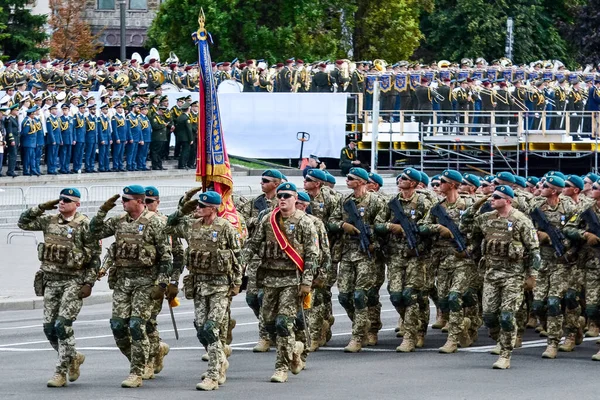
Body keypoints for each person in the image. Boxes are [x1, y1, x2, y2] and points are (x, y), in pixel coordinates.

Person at [89, 185, 173, 388]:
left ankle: (136, 372)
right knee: (118, 326)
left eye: (127, 199)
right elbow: (93, 231)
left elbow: (166, 256)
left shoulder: (156, 223)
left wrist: (162, 284)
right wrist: (102, 210)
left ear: (139, 201)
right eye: (122, 199)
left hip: (145, 282)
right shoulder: (119, 221)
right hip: (123, 282)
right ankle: (142, 359)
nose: (123, 202)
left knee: (137, 325)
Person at [17, 188, 101, 386]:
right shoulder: (49, 221)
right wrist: (40, 207)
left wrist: (89, 283)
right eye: (60, 199)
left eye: (67, 200)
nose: (62, 203)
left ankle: (60, 372)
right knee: (48, 328)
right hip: (51, 281)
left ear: (77, 204)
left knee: (62, 325)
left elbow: (95, 257)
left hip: (73, 280)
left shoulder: (85, 225)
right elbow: (23, 223)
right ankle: (73, 356)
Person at [166, 190, 243, 390]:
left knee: (211, 328)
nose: (198, 209)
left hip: (220, 285)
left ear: (214, 208)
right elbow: (170, 225)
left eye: (202, 206)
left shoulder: (225, 227)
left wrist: (236, 283)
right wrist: (184, 207)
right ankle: (220, 361)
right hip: (199, 284)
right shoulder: (192, 226)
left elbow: (237, 257)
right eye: (197, 206)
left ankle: (213, 375)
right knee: (201, 329)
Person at [244, 182, 319, 382]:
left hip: (291, 280)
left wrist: (307, 282)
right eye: (280, 196)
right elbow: (253, 244)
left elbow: (312, 254)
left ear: (296, 198)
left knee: (283, 323)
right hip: (269, 278)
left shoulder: (304, 222)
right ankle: (293, 348)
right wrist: (240, 264)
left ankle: (281, 367)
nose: (283, 199)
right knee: (268, 324)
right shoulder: (269, 220)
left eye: (287, 195)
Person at [467, 185, 540, 369]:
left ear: (508, 200)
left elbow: (534, 250)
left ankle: (505, 354)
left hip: (513, 275)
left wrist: (532, 276)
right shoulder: (487, 219)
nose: (492, 199)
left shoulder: (520, 220)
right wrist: (478, 203)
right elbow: (465, 224)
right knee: (489, 316)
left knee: (507, 316)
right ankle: (500, 338)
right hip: (491, 274)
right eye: (492, 197)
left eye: (497, 197)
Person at [374, 168, 433, 352]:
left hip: (416, 255)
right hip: (395, 255)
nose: (401, 180)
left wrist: (417, 230)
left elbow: (429, 225)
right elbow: (377, 223)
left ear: (414, 184)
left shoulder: (424, 202)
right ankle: (414, 326)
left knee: (411, 295)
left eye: (405, 179)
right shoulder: (392, 203)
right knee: (395, 295)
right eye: (400, 178)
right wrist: (391, 226)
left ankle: (412, 334)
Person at [418, 169, 475, 353]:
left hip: (462, 259)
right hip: (442, 260)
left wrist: (470, 249)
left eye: (442, 181)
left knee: (454, 296)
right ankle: (462, 326)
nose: (438, 184)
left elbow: (481, 231)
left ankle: (453, 339)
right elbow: (422, 227)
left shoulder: (468, 205)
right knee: (443, 300)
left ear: (452, 185)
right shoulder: (437, 208)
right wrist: (438, 228)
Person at [328, 167, 383, 352]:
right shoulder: (345, 201)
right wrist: (343, 225)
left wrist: (373, 240)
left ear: (361, 181)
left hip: (367, 254)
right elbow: (332, 221)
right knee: (344, 296)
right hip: (347, 252)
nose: (347, 180)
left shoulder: (375, 201)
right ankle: (363, 323)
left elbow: (382, 225)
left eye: (351, 178)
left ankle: (358, 336)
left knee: (360, 295)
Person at [176, 103, 193, 170]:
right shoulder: (186, 118)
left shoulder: (180, 117)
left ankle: (181, 164)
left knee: (183, 151)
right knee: (185, 151)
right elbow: (189, 129)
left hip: (180, 137)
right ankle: (182, 164)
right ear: (188, 109)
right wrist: (191, 139)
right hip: (186, 137)